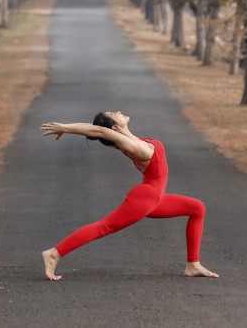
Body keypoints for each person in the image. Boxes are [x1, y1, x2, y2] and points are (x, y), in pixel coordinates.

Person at [40, 110, 219, 281]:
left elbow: (99, 131)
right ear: (115, 128)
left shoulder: (126, 140)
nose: (118, 111)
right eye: (113, 114)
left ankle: (193, 265)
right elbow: (99, 130)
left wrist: (69, 127)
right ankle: (54, 253)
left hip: (154, 198)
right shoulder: (131, 145)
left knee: (197, 208)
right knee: (103, 227)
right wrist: (64, 127)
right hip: (146, 198)